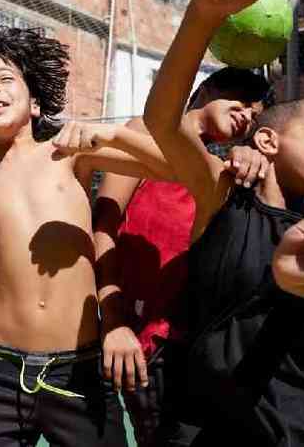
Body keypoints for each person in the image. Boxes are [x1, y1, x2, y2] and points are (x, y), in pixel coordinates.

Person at [138, 0, 304, 445]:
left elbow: (302, 283)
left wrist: (294, 282)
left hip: (295, 432)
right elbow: (161, 120)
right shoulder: (224, 195)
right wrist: (203, 13)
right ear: (267, 141)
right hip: (198, 429)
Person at [0, 27, 175, 447]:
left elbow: (173, 170)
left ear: (34, 102)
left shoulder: (71, 155)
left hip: (81, 373)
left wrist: (113, 136)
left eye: (4, 79)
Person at [92, 67, 273, 447]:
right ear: (205, 89)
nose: (246, 116)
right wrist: (114, 321)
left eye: (255, 117)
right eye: (239, 102)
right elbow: (103, 227)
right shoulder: (144, 133)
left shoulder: (221, 168)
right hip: (146, 340)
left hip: (199, 343)